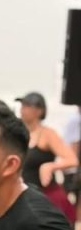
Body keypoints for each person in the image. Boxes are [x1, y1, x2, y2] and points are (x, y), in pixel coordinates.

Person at [16, 91, 77, 222]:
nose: (22, 109)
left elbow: (72, 159)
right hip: (24, 197)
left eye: (27, 106)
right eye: (22, 106)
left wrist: (50, 166)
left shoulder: (48, 134)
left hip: (46, 197)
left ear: (39, 111)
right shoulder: (19, 135)